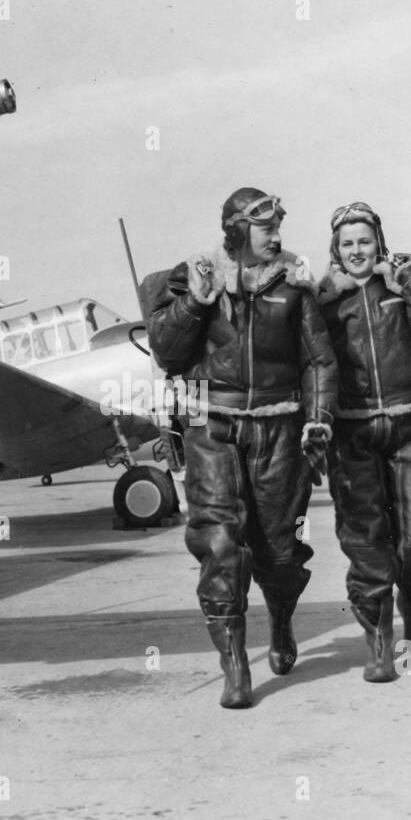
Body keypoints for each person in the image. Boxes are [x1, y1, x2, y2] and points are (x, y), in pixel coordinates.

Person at [141, 187, 337, 709]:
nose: (276, 236)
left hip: (278, 427)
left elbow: (318, 361)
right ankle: (235, 665)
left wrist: (317, 420)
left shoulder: (295, 286)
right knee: (220, 544)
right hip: (212, 426)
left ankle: (280, 618)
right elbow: (167, 351)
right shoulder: (198, 277)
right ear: (235, 231)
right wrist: (196, 301)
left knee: (278, 550)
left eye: (279, 226)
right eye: (265, 227)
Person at [317, 202, 411, 682]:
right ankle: (378, 637)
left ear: (379, 243)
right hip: (352, 432)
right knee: (366, 542)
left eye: (365, 241)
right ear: (336, 251)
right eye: (347, 243)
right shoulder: (323, 303)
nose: (357, 251)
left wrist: (409, 276)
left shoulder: (401, 288)